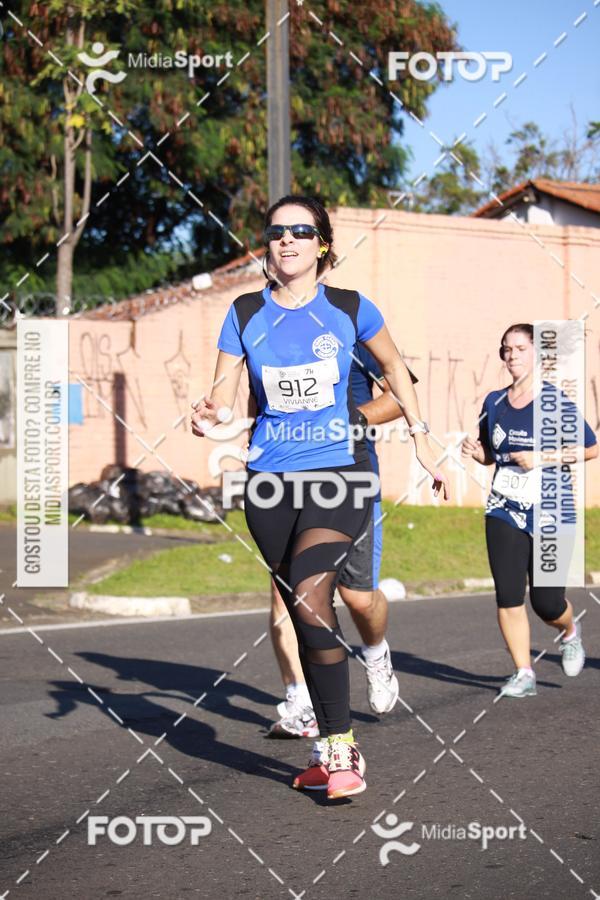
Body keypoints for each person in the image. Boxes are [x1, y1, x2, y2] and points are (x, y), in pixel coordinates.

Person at [192, 194, 449, 800]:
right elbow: (226, 395)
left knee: (312, 599)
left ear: (322, 245)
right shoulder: (245, 312)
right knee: (304, 614)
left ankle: (342, 751)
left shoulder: (351, 310)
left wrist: (422, 442)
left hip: (339, 473)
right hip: (270, 482)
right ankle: (327, 745)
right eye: (277, 232)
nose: (287, 241)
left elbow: (398, 373)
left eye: (301, 232)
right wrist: (212, 414)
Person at [268, 341, 419, 740]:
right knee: (287, 594)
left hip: (347, 476)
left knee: (357, 598)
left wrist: (343, 420)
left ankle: (375, 652)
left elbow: (400, 395)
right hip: (285, 476)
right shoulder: (265, 332)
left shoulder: (353, 326)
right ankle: (300, 700)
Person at [462, 323, 597, 698]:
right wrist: (480, 455)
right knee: (508, 594)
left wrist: (542, 458)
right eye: (506, 349)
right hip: (504, 505)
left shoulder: (554, 401)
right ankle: (524, 673)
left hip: (552, 508)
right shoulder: (494, 401)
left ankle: (569, 632)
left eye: (520, 348)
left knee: (547, 602)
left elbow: (590, 448)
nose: (512, 356)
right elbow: (493, 453)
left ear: (536, 353)